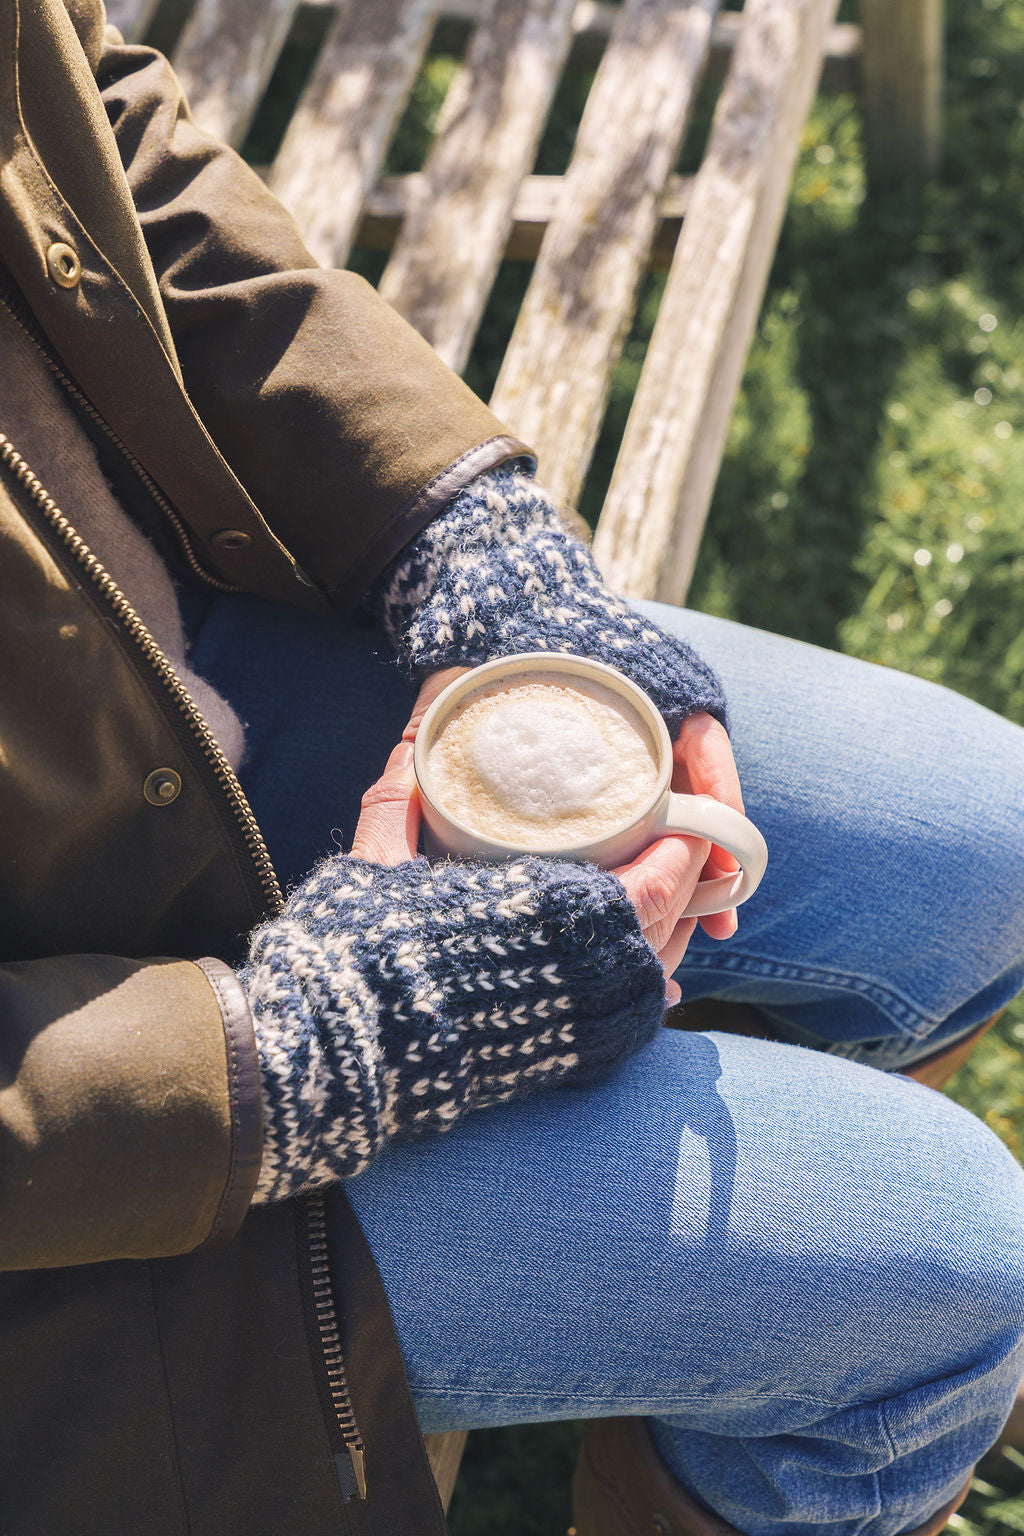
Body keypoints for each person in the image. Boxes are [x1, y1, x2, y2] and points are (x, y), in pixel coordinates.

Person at [2, 4, 1023, 1535]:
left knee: (975, 847)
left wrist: (454, 522)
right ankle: (822, 1360)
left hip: (176, 670)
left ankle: (710, 1350)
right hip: (93, 1192)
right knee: (948, 1270)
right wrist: (301, 1050)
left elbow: (92, 114)